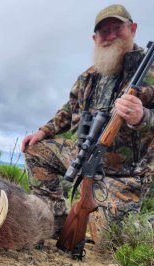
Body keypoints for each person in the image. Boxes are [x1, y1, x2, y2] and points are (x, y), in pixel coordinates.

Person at [21, 4, 154, 242]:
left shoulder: (150, 71)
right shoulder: (88, 76)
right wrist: (43, 131)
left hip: (127, 173)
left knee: (105, 241)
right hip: (85, 154)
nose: (111, 36)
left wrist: (143, 117)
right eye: (104, 32)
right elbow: (68, 109)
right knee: (36, 150)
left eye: (117, 28)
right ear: (95, 38)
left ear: (132, 29)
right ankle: (55, 222)